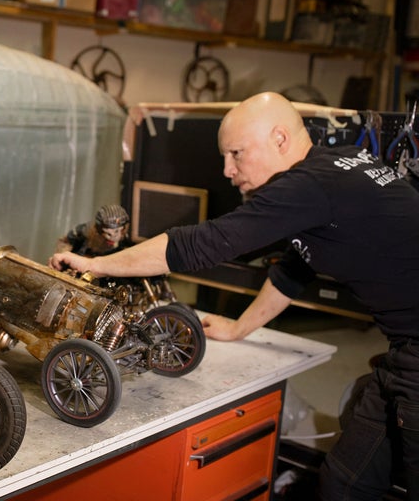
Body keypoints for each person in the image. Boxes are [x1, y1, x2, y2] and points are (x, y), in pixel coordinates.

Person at [49, 92, 419, 500]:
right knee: (345, 485)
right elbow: (298, 265)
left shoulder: (306, 187)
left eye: (236, 154)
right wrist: (241, 326)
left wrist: (98, 264)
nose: (227, 170)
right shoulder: (341, 164)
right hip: (403, 352)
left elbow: (200, 245)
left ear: (279, 139)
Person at [54, 204, 133, 257]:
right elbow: (65, 243)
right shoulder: (83, 231)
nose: (113, 236)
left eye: (117, 231)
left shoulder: (125, 240)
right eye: (108, 233)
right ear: (99, 229)